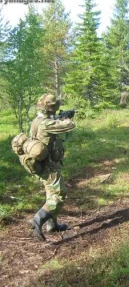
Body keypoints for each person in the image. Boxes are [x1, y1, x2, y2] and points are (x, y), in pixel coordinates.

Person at [30, 94, 75, 241]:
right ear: (53, 108)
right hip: (49, 166)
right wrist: (66, 117)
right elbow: (69, 126)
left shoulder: (38, 120)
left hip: (42, 164)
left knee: (51, 193)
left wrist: (58, 118)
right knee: (58, 196)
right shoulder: (46, 123)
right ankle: (37, 219)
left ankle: (52, 225)